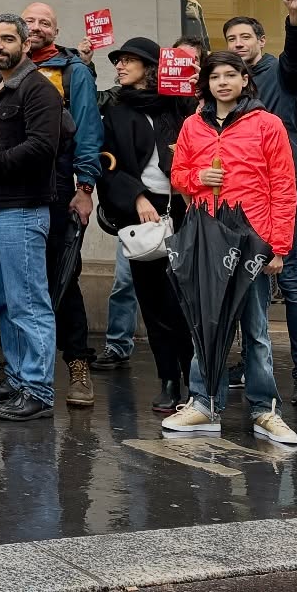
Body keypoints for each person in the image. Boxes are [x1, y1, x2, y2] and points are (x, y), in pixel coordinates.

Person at [162, 50, 297, 445]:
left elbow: (283, 188)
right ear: (205, 83)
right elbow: (178, 175)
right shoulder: (191, 125)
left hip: (252, 235)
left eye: (230, 74)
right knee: (205, 322)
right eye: (215, 76)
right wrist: (197, 177)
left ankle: (264, 410)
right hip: (207, 234)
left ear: (244, 80)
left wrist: (278, 245)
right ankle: (203, 403)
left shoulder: (268, 124)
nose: (222, 82)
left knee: (255, 329)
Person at [0, 15, 63, 422]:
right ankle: (19, 378)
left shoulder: (39, 88)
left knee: (28, 303)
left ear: (25, 43)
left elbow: (42, 147)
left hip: (20, 210)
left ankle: (37, 388)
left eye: (7, 38)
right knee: (4, 302)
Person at [224, 0, 297, 409]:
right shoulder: (227, 80)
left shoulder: (280, 71)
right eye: (231, 39)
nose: (238, 44)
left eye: (245, 37)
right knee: (243, 279)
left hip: (279, 187)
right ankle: (248, 364)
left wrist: (294, 16)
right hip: (237, 192)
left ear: (261, 42)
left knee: (291, 280)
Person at [93, 36, 196, 413]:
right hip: (143, 210)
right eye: (118, 61)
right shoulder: (116, 110)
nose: (120, 66)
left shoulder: (178, 106)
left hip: (186, 206)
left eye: (129, 61)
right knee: (153, 300)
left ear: (150, 68)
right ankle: (168, 380)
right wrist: (135, 196)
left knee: (183, 300)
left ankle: (194, 380)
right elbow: (106, 162)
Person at [20, 1, 103, 409]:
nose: (35, 27)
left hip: (57, 186)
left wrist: (84, 187)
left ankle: (76, 364)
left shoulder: (75, 72)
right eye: (29, 20)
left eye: (44, 22)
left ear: (56, 30)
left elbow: (89, 130)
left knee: (64, 276)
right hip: (10, 185)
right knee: (19, 279)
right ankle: (21, 370)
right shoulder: (6, 66)